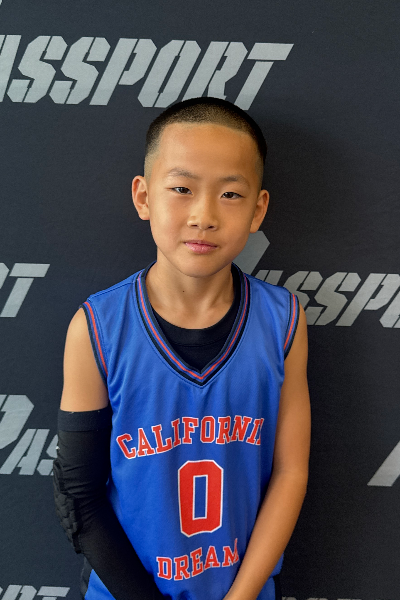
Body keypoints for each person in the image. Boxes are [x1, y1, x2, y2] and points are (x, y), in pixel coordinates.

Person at [53, 96, 311, 600]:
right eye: (181, 189)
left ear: (258, 209)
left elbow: (290, 471)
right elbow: (79, 496)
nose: (203, 215)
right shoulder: (97, 328)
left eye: (230, 194)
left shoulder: (283, 320)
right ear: (144, 196)